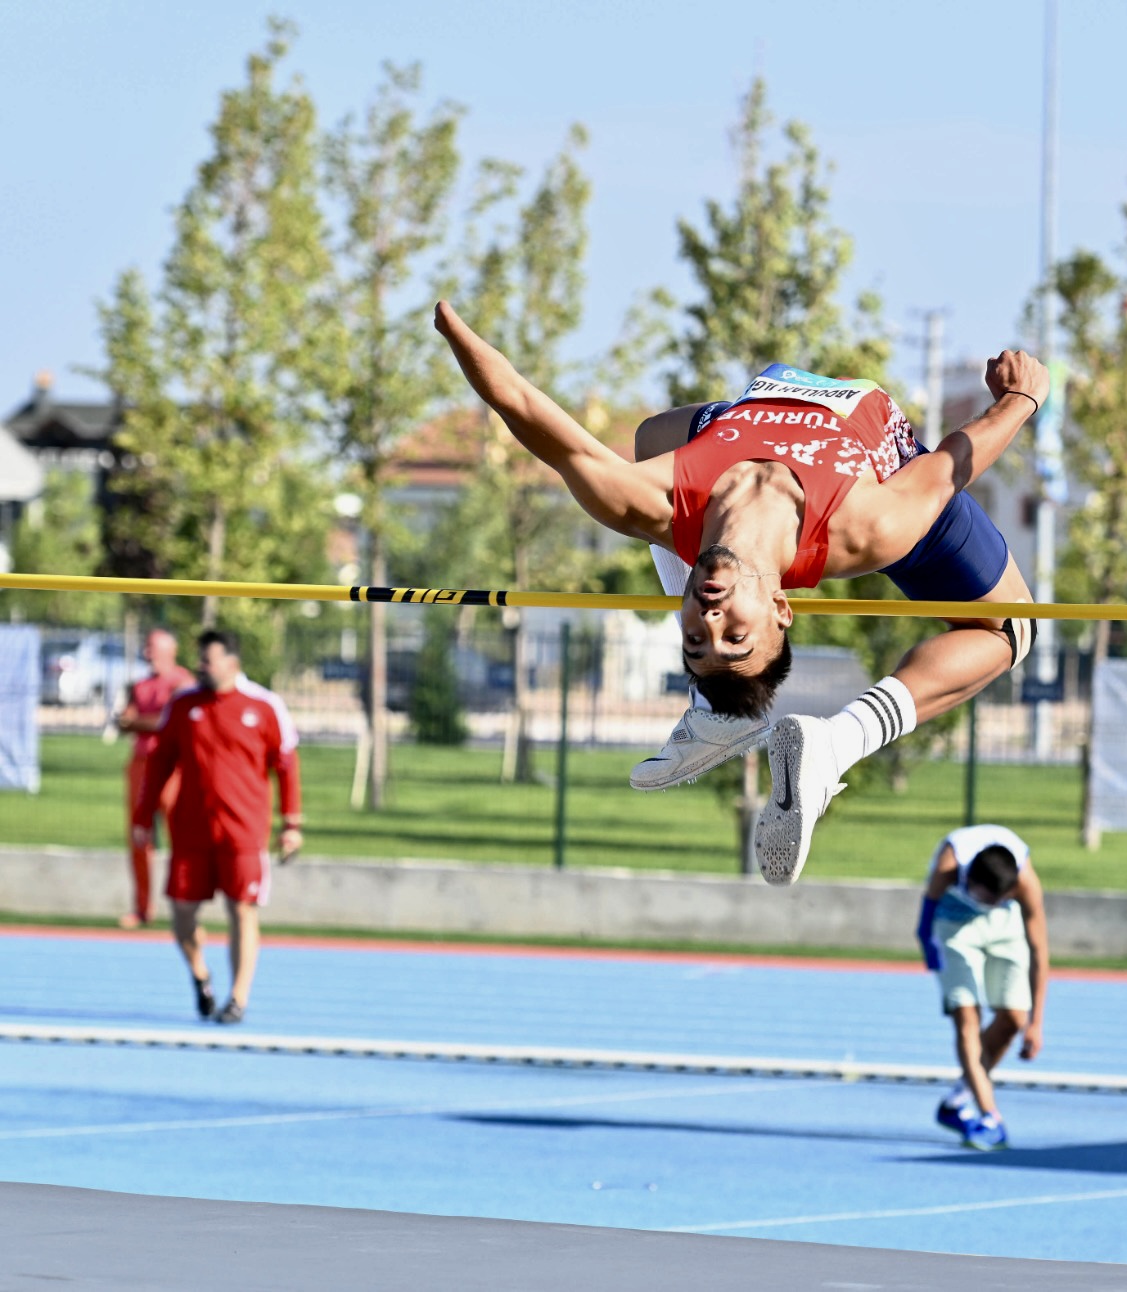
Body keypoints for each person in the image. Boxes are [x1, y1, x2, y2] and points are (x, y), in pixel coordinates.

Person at [435, 301, 1047, 885]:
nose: (710, 617)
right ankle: (837, 744)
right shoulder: (871, 522)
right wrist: (1021, 399)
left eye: (695, 639)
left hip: (748, 423)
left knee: (650, 436)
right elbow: (950, 466)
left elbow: (518, 403)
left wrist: (448, 324)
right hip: (885, 466)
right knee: (1013, 629)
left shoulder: (649, 501)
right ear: (781, 608)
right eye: (735, 636)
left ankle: (715, 713)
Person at [132, 630, 302, 1024]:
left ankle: (237, 998)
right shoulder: (183, 705)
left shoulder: (263, 705)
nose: (200, 667)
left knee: (242, 909)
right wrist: (143, 816)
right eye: (200, 660)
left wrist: (291, 823)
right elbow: (160, 763)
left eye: (207, 660)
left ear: (231, 661)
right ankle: (200, 975)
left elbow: (286, 765)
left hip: (243, 831)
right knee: (182, 915)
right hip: (191, 829)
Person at [916, 824, 1049, 1151]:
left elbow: (1039, 950)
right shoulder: (949, 865)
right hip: (953, 927)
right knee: (967, 1020)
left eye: (999, 899)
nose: (991, 903)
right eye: (986, 899)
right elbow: (924, 925)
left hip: (1005, 929)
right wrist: (937, 962)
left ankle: (955, 1102)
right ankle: (991, 1118)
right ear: (969, 881)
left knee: (1014, 1019)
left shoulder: (1023, 882)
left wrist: (1036, 1023)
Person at [114, 629, 194, 928]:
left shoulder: (183, 683)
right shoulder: (140, 685)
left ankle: (185, 903)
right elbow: (124, 721)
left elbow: (173, 722)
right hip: (141, 765)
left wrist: (138, 722)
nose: (147, 654)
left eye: (152, 648)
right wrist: (143, 722)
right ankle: (142, 907)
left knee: (180, 837)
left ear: (170, 650)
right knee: (138, 834)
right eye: (146, 648)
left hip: (174, 768)